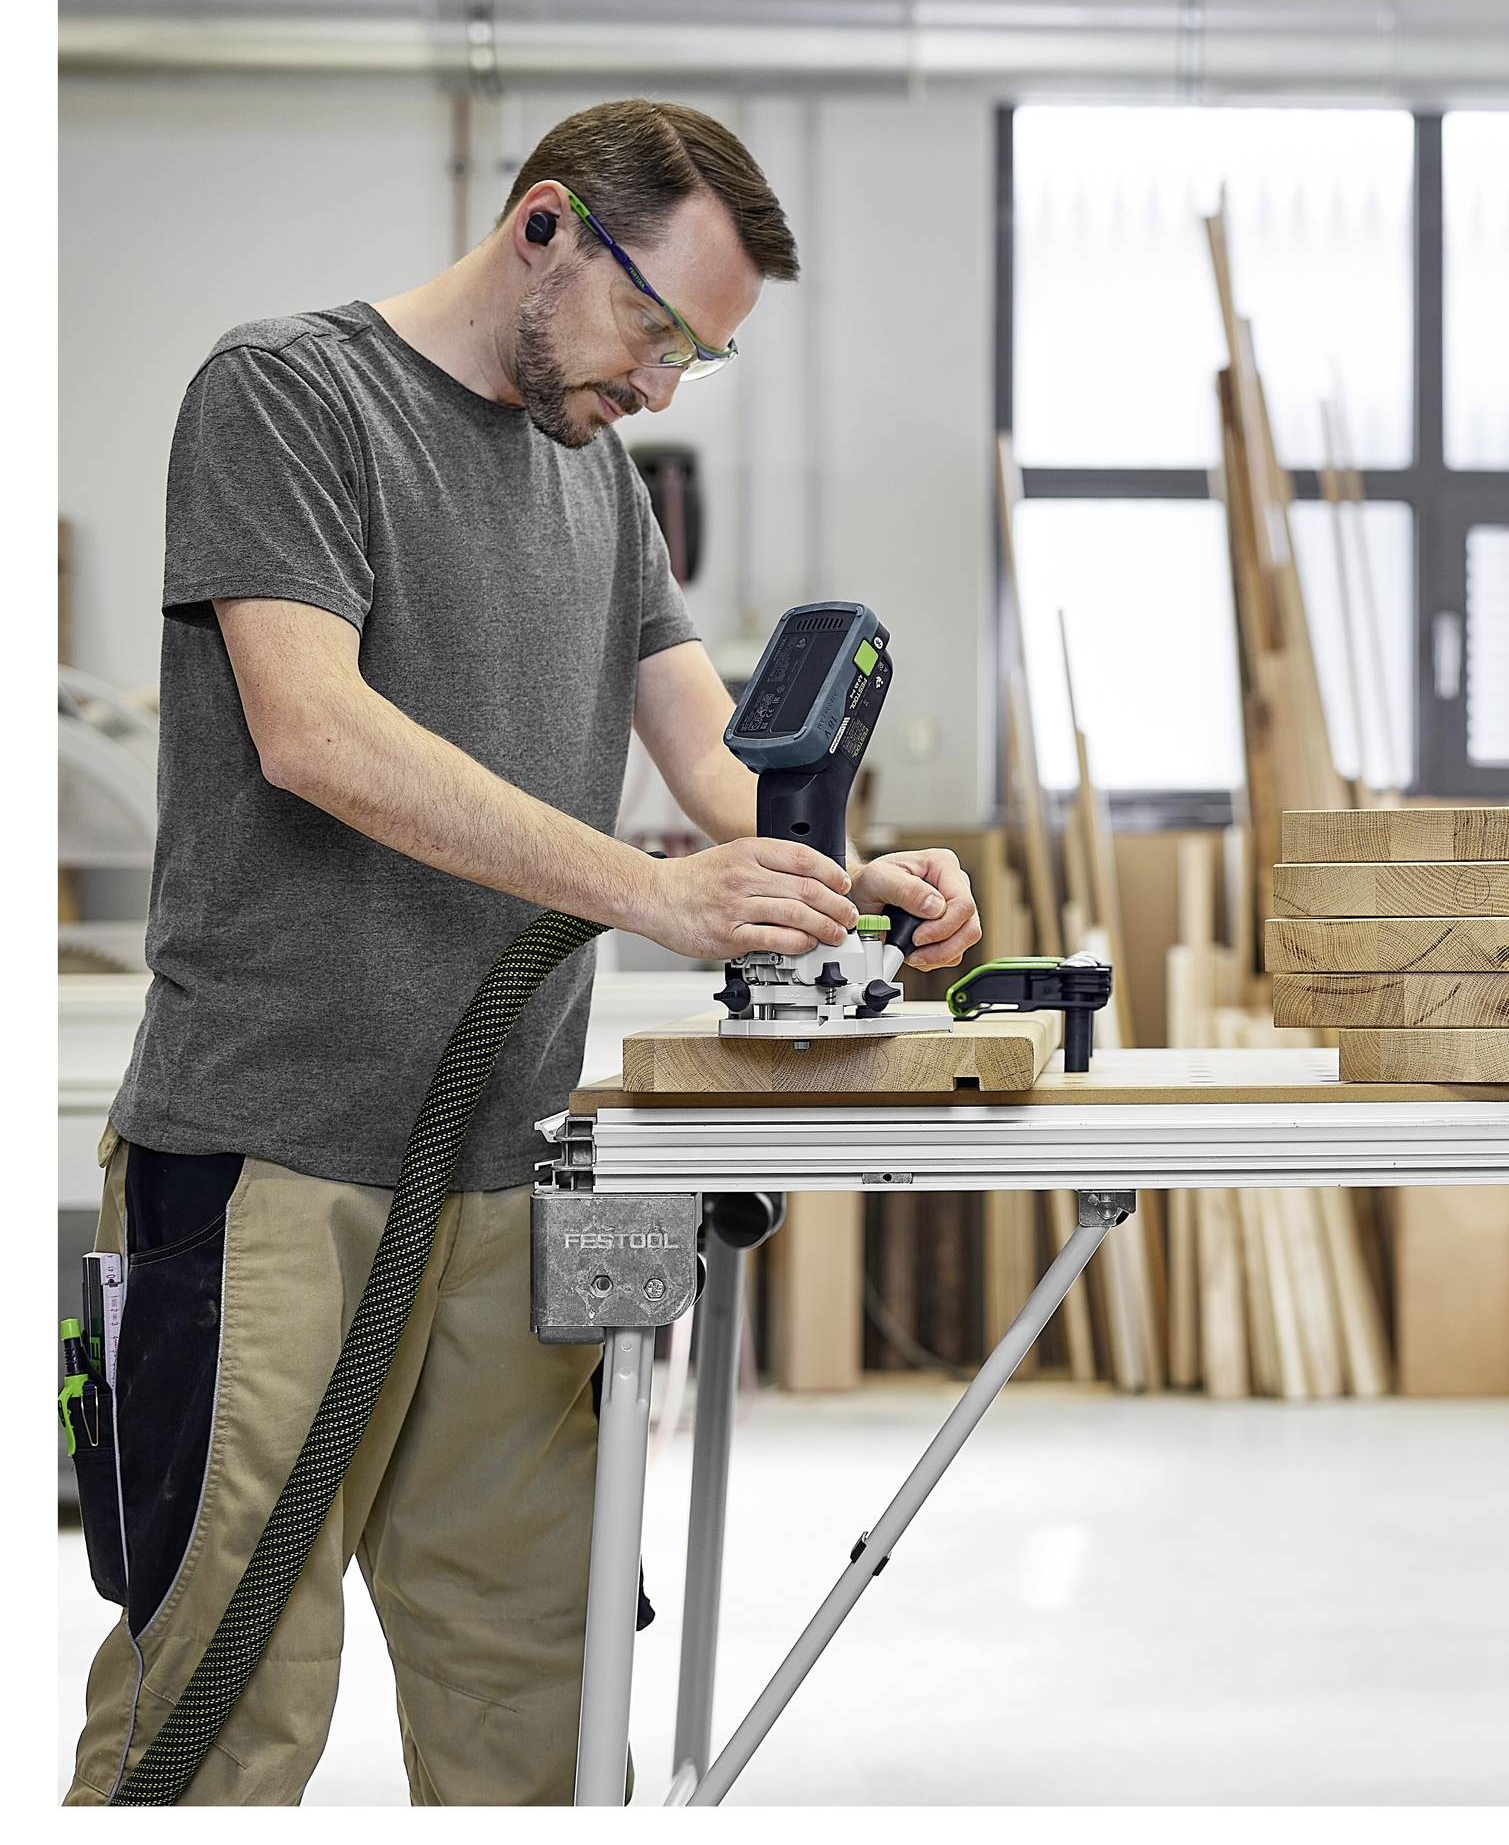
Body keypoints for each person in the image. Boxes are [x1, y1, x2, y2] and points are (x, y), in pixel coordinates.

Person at [68, 98, 980, 1804]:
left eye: (697, 360)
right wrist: (653, 896)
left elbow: (710, 752)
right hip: (274, 1167)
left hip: (506, 1173)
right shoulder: (288, 397)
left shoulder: (598, 478)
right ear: (547, 227)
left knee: (535, 1702)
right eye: (661, 330)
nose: (658, 384)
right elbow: (314, 730)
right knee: (223, 1698)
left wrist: (850, 883)